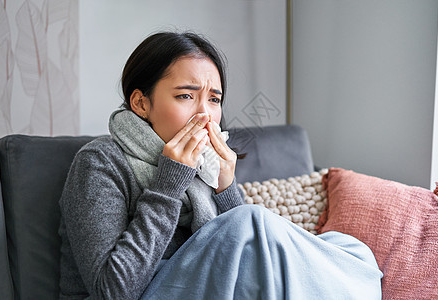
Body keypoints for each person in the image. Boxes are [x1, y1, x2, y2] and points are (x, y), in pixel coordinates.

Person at [59, 31, 382, 299]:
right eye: (186, 96)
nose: (205, 114)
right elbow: (113, 291)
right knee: (250, 221)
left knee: (350, 248)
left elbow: (242, 255)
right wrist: (169, 183)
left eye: (214, 99)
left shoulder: (204, 164)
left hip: (214, 286)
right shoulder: (100, 161)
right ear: (141, 103)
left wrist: (226, 186)